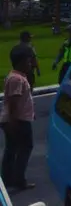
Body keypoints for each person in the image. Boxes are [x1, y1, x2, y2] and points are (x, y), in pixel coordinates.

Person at [1, 46, 36, 190]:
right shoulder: (17, 79)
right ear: (21, 62)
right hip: (18, 121)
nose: (30, 64)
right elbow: (14, 102)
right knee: (25, 148)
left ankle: (7, 178)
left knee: (11, 148)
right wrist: (14, 123)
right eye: (28, 62)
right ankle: (19, 180)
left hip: (13, 120)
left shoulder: (15, 76)